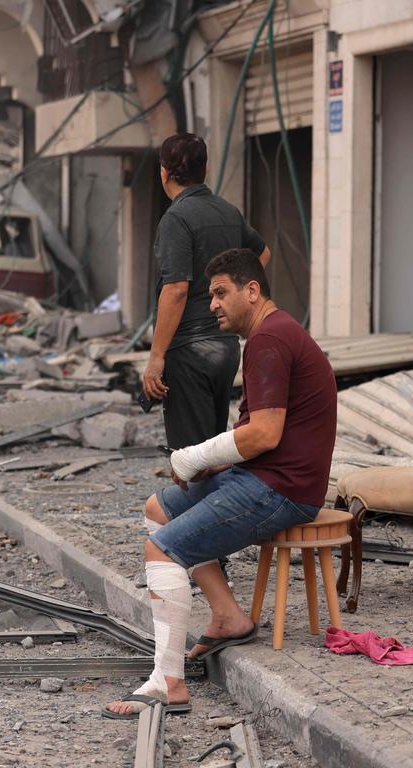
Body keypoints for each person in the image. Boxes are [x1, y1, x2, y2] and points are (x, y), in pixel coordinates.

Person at [104, 249, 337, 718]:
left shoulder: (270, 340)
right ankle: (228, 615)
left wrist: (193, 456)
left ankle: (167, 682)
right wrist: (210, 463)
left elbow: (265, 433)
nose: (212, 304)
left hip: (281, 489)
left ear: (252, 291)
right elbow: (264, 434)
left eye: (220, 293)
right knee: (158, 509)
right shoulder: (273, 333)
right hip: (268, 474)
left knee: (162, 550)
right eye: (211, 295)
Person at [144, 134, 271, 450]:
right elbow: (262, 254)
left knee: (190, 456)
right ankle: (214, 498)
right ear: (205, 170)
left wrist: (157, 356)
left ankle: (196, 501)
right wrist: (236, 300)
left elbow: (175, 290)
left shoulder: (176, 218)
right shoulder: (227, 211)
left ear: (164, 171)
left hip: (189, 351)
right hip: (226, 348)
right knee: (212, 451)